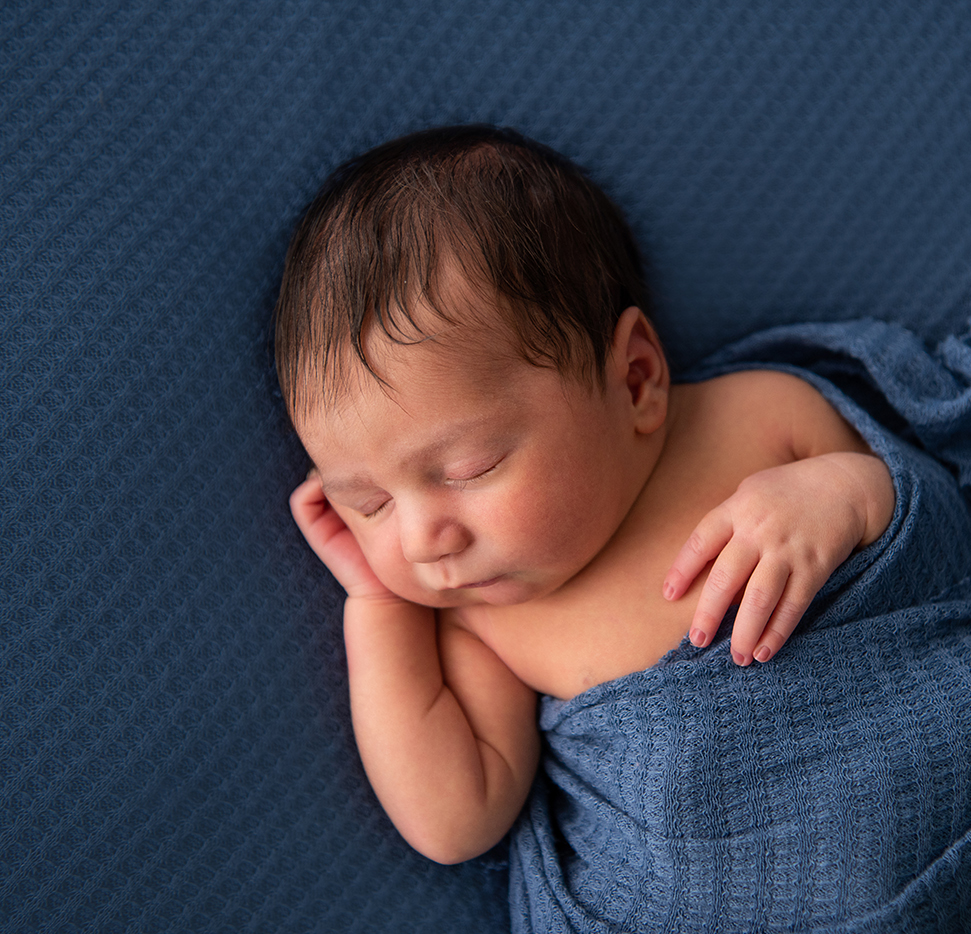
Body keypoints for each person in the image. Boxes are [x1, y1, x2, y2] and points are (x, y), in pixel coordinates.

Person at [275, 125, 895, 865]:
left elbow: (927, 513)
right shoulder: (485, 623)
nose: (420, 542)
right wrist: (378, 606)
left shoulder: (760, 418)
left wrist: (841, 493)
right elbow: (454, 823)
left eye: (469, 468)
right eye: (368, 504)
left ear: (635, 380)